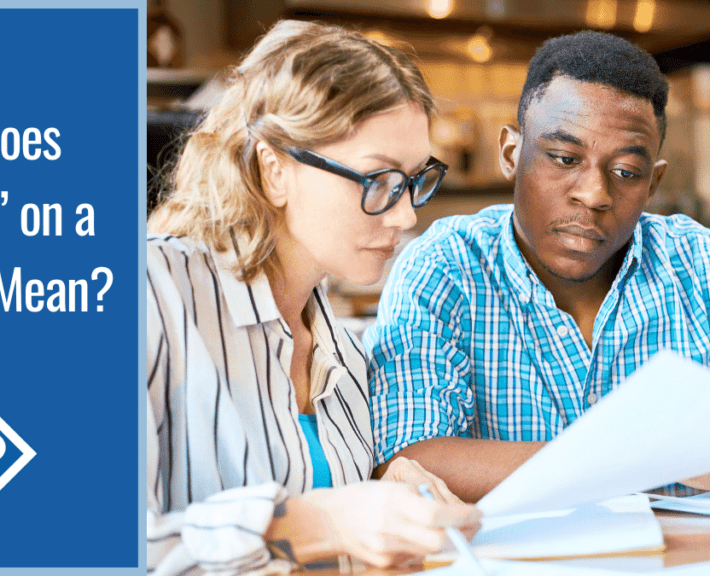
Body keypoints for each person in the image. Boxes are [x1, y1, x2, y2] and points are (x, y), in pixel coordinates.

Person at [364, 30, 710, 529]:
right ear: (511, 153)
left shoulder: (698, 262)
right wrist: (651, 458)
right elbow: (409, 457)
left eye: (626, 172)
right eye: (565, 159)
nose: (594, 194)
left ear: (653, 183)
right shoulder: (445, 264)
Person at [146, 20, 481, 576]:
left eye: (414, 180)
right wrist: (320, 523)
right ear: (274, 169)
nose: (405, 215)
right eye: (377, 180)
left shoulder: (343, 353)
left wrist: (385, 491)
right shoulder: (151, 293)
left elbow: (323, 496)